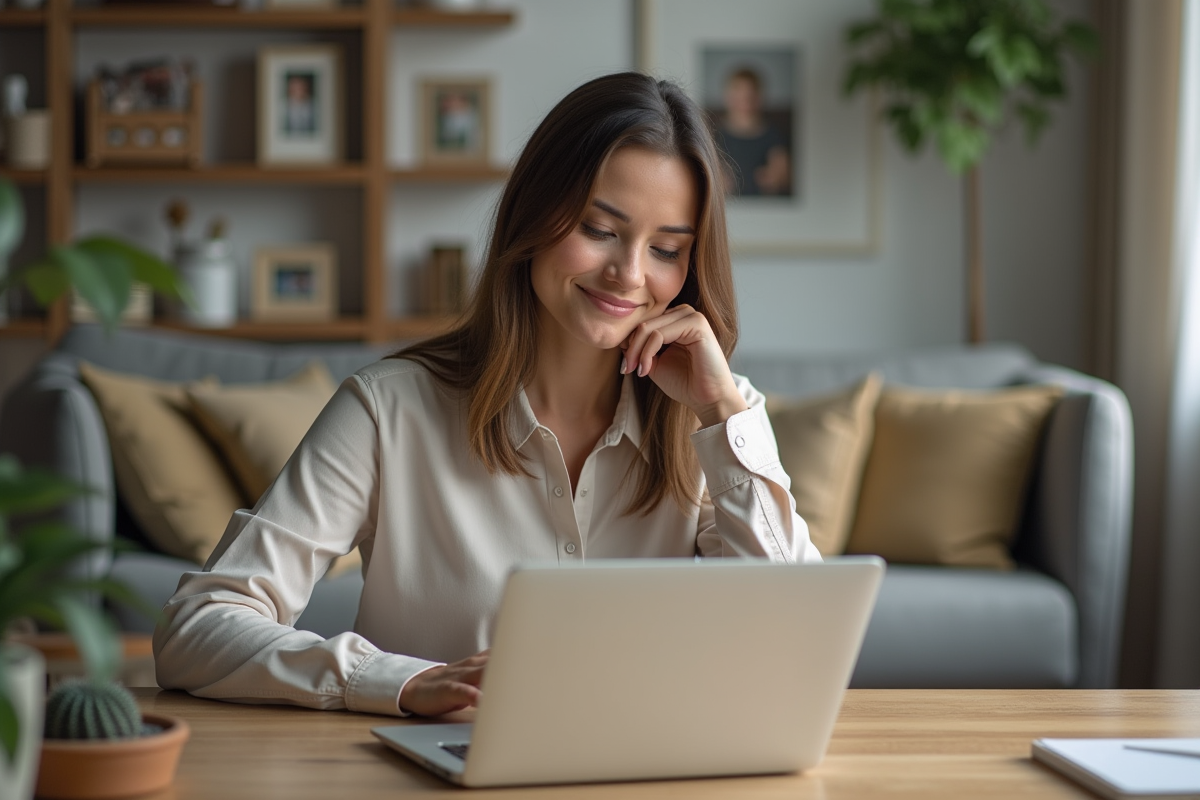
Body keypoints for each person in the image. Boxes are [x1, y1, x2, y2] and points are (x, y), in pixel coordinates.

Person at [153, 72, 821, 719]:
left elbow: (801, 642)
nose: (630, 274)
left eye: (667, 248)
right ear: (534, 213)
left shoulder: (709, 425)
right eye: (599, 230)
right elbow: (196, 630)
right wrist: (400, 682)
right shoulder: (388, 410)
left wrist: (720, 411)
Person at [714, 67, 791, 196]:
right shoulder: (715, 135)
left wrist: (777, 177)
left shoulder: (773, 135)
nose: (745, 103)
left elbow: (781, 167)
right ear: (728, 98)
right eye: (739, 98)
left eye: (750, 97)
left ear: (760, 98)